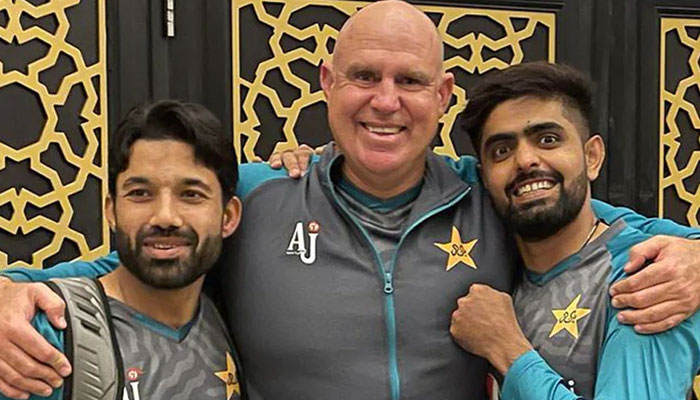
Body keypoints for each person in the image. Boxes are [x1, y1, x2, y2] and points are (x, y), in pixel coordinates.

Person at [1, 2, 700, 399]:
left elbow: (590, 230)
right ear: (328, 83)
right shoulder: (257, 194)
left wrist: (696, 253)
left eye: (410, 80)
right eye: (364, 76)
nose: (386, 101)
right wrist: (11, 286)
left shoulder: (488, 190)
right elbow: (129, 262)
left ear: (443, 95)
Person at [448, 62, 700, 399]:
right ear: (484, 177)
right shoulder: (496, 252)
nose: (524, 160)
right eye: (502, 150)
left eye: (548, 139)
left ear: (592, 157)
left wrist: (508, 349)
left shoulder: (648, 281)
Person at [0, 100, 244, 400]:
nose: (165, 217)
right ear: (112, 211)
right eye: (140, 193)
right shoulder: (44, 334)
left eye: (191, 194)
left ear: (228, 217)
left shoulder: (237, 317)